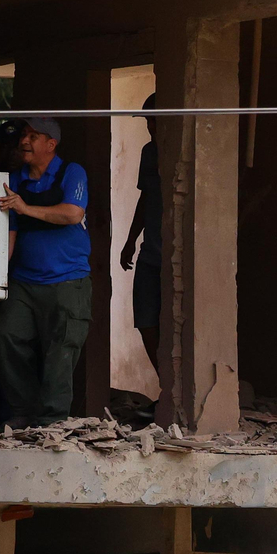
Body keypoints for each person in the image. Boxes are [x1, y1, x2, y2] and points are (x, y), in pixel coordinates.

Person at [0, 116, 92, 429]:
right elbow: (9, 230)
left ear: (51, 144)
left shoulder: (71, 172)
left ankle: (53, 422)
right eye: (24, 135)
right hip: (24, 280)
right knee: (6, 336)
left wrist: (26, 209)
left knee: (61, 349)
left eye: (34, 136)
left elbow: (73, 213)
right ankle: (24, 412)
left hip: (68, 279)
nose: (25, 141)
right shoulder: (15, 178)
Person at [117, 94, 162, 372]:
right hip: (149, 253)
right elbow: (145, 199)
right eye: (148, 121)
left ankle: (171, 390)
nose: (151, 127)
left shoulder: (180, 152)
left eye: (155, 120)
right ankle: (166, 385)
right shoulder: (149, 152)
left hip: (171, 256)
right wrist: (130, 241)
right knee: (145, 321)